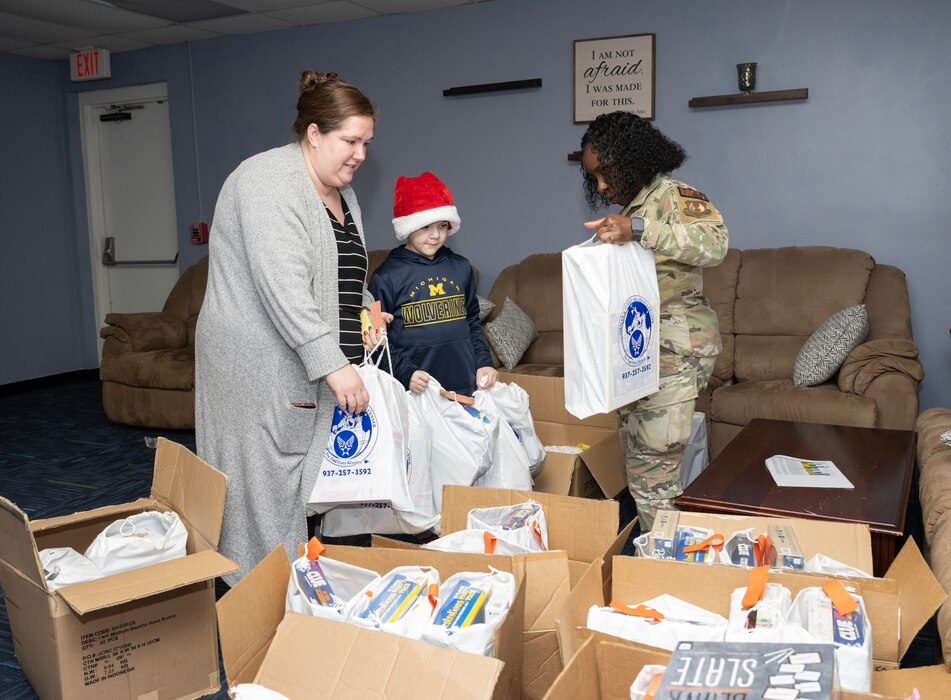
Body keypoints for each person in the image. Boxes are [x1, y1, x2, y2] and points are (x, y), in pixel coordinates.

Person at [195, 71, 377, 584]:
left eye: (366, 142)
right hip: (258, 370)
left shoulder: (343, 194)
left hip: (308, 366)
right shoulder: (266, 182)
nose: (360, 154)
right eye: (350, 141)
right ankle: (256, 602)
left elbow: (341, 269)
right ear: (314, 133)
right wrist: (335, 366)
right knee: (262, 495)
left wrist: (365, 307)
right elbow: (285, 288)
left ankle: (293, 594)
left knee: (299, 489)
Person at [580, 111, 728, 530]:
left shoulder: (674, 196)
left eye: (605, 173)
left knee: (653, 477)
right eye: (594, 179)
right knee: (642, 469)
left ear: (630, 159)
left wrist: (640, 227)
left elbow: (714, 245)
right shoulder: (629, 209)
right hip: (638, 353)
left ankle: (668, 572)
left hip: (676, 352)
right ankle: (663, 558)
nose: (602, 186)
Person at [368, 171, 498, 396]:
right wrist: (404, 372)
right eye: (425, 227)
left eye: (441, 226)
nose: (435, 235)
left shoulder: (461, 268)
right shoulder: (385, 277)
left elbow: (472, 322)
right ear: (408, 227)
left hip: (465, 386)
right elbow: (375, 340)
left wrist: (484, 362)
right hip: (416, 391)